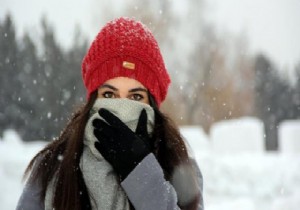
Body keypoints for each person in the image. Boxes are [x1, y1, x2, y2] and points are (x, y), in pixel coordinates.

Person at [16, 17, 204, 210]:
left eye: (136, 97)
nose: (121, 107)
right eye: (109, 94)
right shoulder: (51, 168)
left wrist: (141, 172)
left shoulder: (179, 167)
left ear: (152, 103)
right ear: (93, 100)